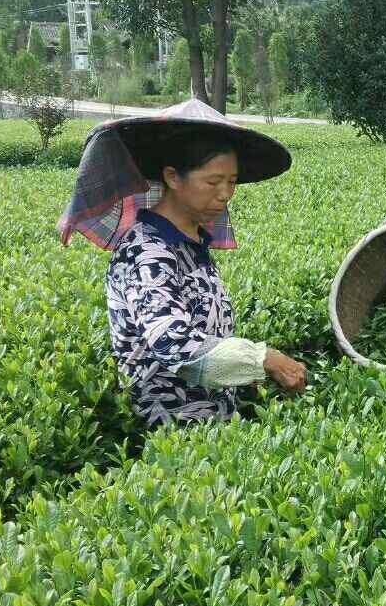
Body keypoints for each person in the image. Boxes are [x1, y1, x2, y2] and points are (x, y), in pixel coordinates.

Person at [60, 99, 307, 427]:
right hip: (173, 428)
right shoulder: (147, 250)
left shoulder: (190, 243)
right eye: (212, 181)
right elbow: (174, 343)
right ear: (173, 177)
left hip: (215, 423)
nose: (225, 194)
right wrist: (262, 359)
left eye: (231, 182)